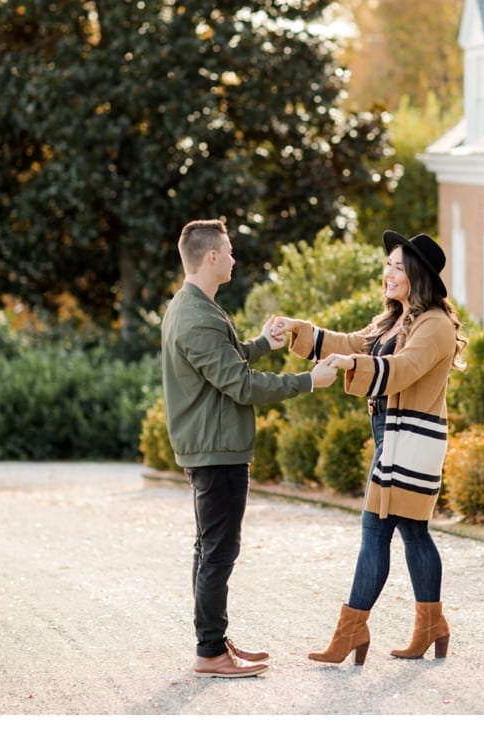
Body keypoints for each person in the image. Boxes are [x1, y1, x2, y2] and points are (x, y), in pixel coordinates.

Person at [274, 230, 466, 666]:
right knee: (412, 531)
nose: (388, 273)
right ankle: (430, 625)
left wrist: (354, 366)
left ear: (418, 274)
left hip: (412, 438)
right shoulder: (394, 320)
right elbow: (350, 344)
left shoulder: (434, 324)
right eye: (388, 265)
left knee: (376, 530)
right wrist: (299, 331)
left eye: (398, 267)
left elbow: (403, 369)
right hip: (392, 434)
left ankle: (352, 632)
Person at [161, 219, 339, 678]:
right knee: (218, 552)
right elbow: (239, 385)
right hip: (216, 449)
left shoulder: (195, 307)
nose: (235, 258)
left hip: (214, 446)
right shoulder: (196, 315)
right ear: (213, 257)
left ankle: (215, 642)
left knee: (211, 549)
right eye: (230, 250)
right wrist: (309, 381)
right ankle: (209, 653)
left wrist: (264, 344)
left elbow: (226, 360)